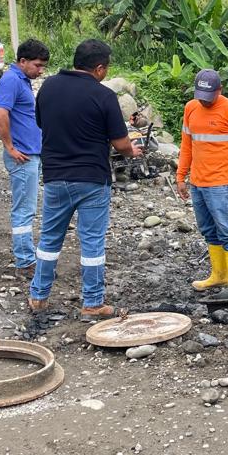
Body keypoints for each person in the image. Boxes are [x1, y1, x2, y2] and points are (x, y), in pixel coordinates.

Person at [28, 39, 141, 321]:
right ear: (99, 68)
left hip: (55, 176)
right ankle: (92, 303)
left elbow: (42, 123)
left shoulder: (48, 87)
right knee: (92, 243)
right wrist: (133, 150)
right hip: (91, 179)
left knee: (49, 239)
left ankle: (38, 297)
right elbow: (120, 143)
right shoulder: (104, 96)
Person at [176, 69, 228, 291]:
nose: (204, 101)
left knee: (227, 230)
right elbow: (186, 145)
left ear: (220, 90)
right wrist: (181, 176)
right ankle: (218, 275)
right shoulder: (191, 108)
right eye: (200, 96)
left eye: (209, 96)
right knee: (208, 229)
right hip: (197, 182)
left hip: (220, 183)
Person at [0, 39, 49, 273]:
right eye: (37, 65)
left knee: (28, 207)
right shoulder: (11, 81)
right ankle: (25, 261)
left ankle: (26, 256)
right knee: (24, 209)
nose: (41, 70)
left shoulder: (21, 80)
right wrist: (10, 147)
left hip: (30, 153)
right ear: (23, 61)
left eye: (43, 66)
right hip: (22, 155)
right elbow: (0, 114)